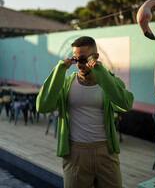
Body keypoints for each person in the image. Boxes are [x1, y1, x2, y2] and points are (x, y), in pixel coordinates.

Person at [36, 36, 134, 188]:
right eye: (75, 60)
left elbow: (126, 104)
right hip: (75, 154)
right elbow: (42, 106)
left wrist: (101, 72)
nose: (78, 65)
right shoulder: (67, 84)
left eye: (82, 60)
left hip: (106, 153)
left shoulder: (110, 81)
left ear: (95, 57)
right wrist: (59, 69)